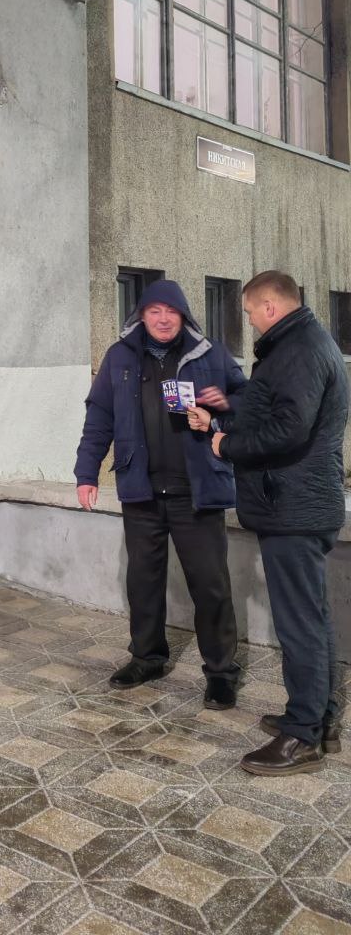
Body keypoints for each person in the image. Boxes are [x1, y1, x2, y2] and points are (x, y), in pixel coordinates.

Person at [75, 278, 247, 707]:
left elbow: (246, 401)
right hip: (142, 489)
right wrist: (86, 473)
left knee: (210, 584)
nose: (164, 319)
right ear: (141, 315)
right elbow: (99, 417)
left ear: (184, 316)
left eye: (172, 312)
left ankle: (221, 672)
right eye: (155, 311)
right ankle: (147, 657)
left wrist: (216, 414)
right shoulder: (120, 357)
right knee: (143, 581)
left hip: (196, 491)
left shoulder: (209, 353)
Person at [212, 271, 348, 774]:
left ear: (270, 306)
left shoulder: (298, 349)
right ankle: (318, 716)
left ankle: (302, 738)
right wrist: (225, 421)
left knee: (299, 622)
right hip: (299, 502)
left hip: (294, 507)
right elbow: (274, 414)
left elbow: (289, 429)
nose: (249, 320)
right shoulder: (306, 342)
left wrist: (227, 445)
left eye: (250, 311)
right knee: (312, 615)